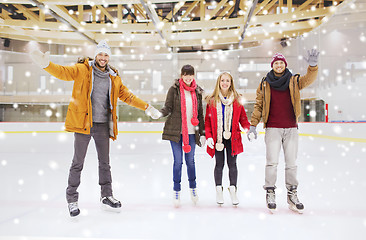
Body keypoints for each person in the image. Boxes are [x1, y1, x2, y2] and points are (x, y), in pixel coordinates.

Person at [29, 40, 161, 217]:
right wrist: (46, 65)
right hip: (84, 125)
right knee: (78, 163)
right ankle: (72, 199)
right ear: (96, 55)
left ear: (109, 57)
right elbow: (63, 73)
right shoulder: (83, 69)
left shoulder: (114, 77)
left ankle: (106, 196)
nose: (103, 58)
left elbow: (128, 96)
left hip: (103, 126)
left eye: (106, 55)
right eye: (100, 54)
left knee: (105, 164)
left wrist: (147, 107)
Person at [247, 49, 319, 213]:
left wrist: (312, 66)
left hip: (291, 128)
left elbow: (308, 80)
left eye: (281, 63)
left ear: (285, 64)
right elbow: (258, 105)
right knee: (272, 162)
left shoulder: (294, 80)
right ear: (272, 66)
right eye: (276, 63)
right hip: (272, 128)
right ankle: (270, 192)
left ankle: (292, 194)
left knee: (291, 164)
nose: (279, 65)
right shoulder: (265, 83)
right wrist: (253, 124)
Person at [160, 65, 205, 207]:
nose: (188, 77)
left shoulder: (197, 91)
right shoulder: (174, 90)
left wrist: (202, 133)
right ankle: (176, 190)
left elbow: (200, 114)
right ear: (181, 75)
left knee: (190, 162)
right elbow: (168, 107)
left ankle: (193, 188)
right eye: (185, 74)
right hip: (176, 132)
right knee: (178, 162)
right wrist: (159, 113)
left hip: (192, 133)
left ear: (193, 75)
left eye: (190, 74)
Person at [205, 72, 250, 206]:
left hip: (232, 138)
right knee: (219, 165)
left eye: (228, 81)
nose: (225, 83)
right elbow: (207, 122)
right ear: (219, 82)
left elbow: (243, 119)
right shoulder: (212, 101)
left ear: (231, 83)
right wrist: (208, 137)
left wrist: (248, 129)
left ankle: (233, 190)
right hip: (218, 138)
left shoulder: (237, 100)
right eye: (222, 80)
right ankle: (219, 190)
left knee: (232, 164)